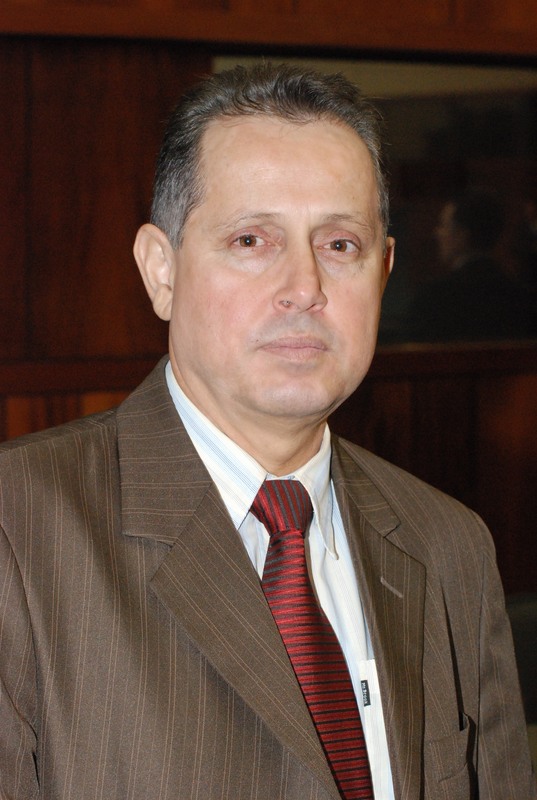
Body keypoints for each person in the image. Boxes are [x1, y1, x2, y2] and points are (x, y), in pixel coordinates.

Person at [0, 63, 534, 800]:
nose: (304, 288)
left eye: (339, 245)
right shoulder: (19, 530)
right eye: (252, 239)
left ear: (383, 271)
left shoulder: (449, 546)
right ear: (161, 271)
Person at [407, 188, 531, 342]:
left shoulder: (433, 299)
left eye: (443, 225)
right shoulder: (521, 297)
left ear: (462, 235)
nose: (437, 233)